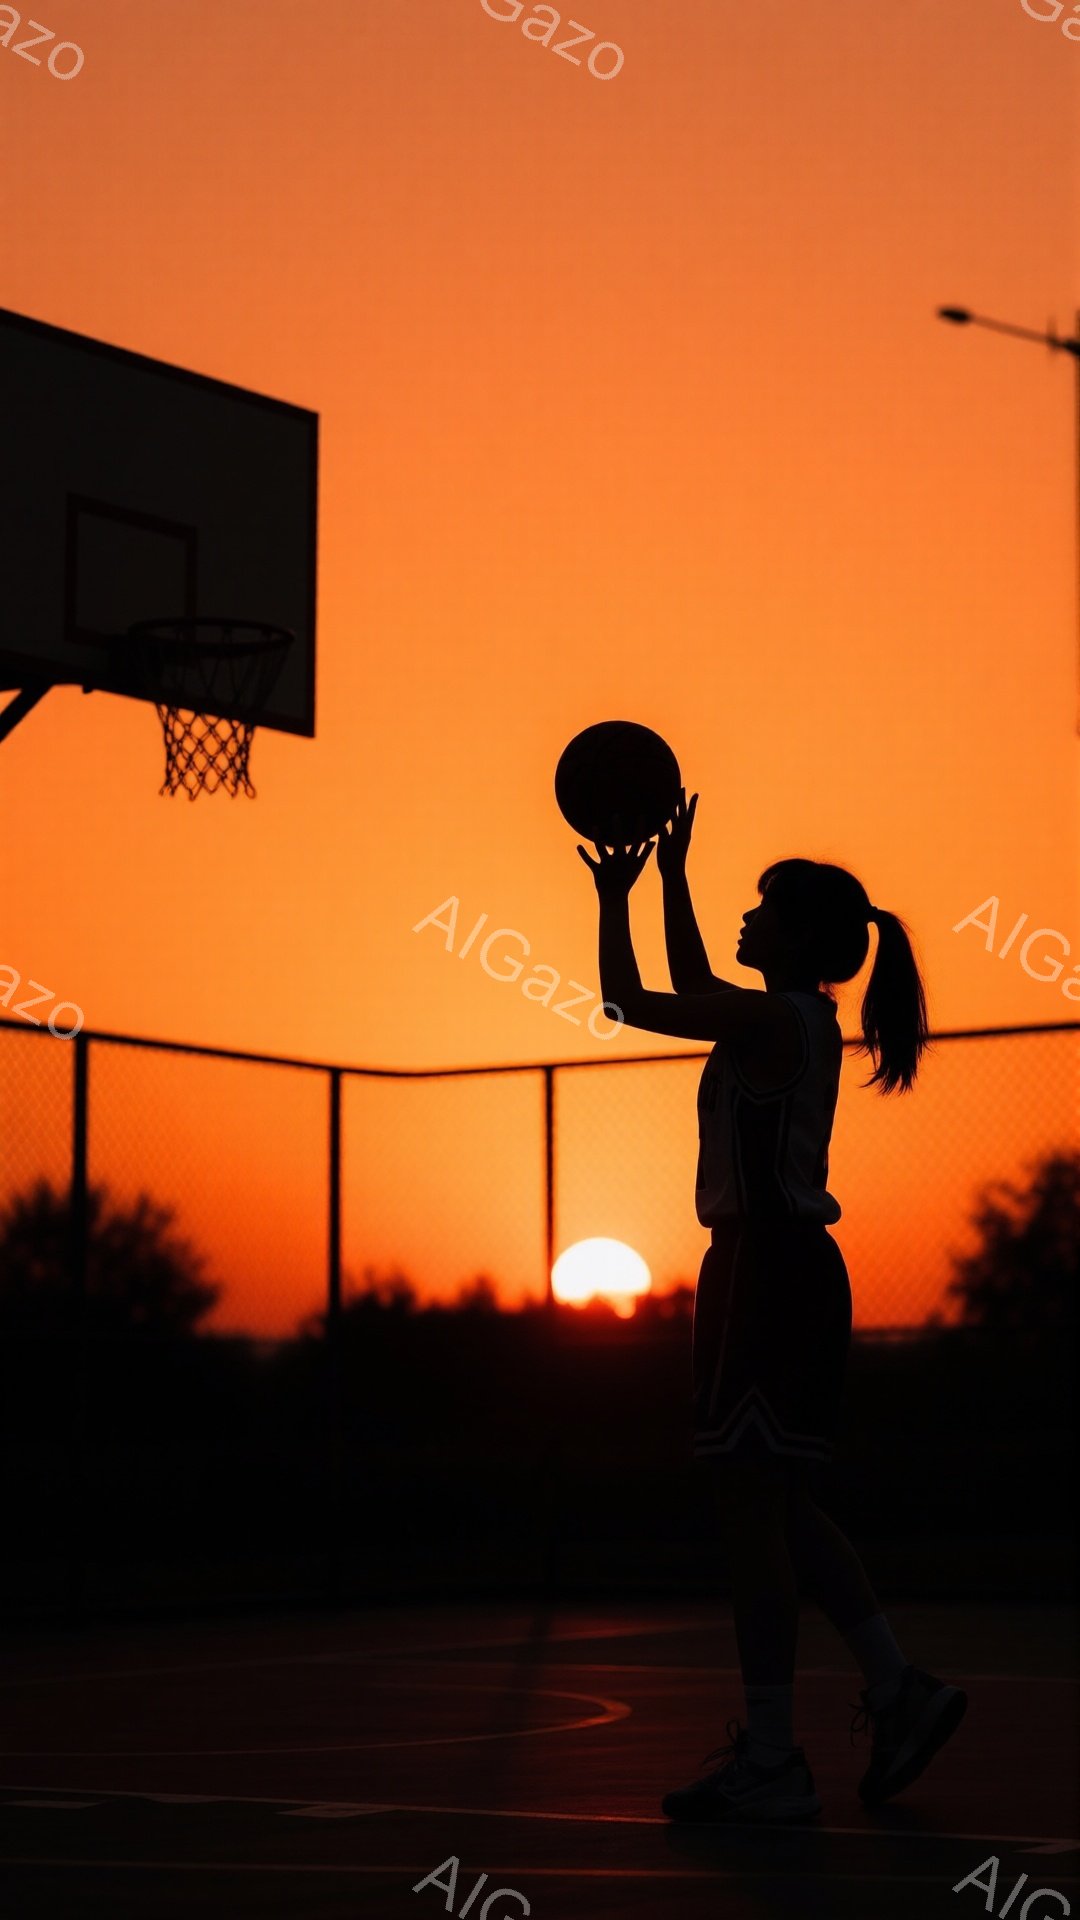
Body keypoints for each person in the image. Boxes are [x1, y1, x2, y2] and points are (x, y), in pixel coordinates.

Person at [577, 789, 967, 1824]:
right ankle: (896, 1687)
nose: (746, 919)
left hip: (766, 1274)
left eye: (761, 908)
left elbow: (628, 1000)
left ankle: (773, 1757)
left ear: (795, 937)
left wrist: (614, 898)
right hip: (780, 1271)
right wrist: (669, 879)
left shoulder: (775, 1021)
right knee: (779, 1505)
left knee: (751, 1513)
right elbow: (694, 982)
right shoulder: (786, 1018)